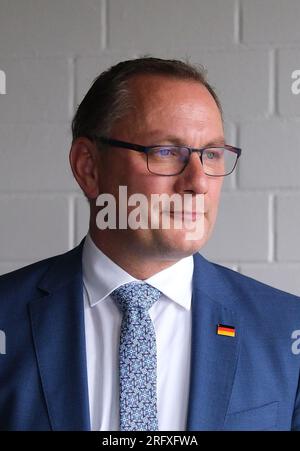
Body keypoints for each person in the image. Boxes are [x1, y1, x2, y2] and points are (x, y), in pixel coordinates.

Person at [0, 57, 300, 431]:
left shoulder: (288, 329)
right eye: (166, 152)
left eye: (210, 154)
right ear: (89, 166)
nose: (198, 182)